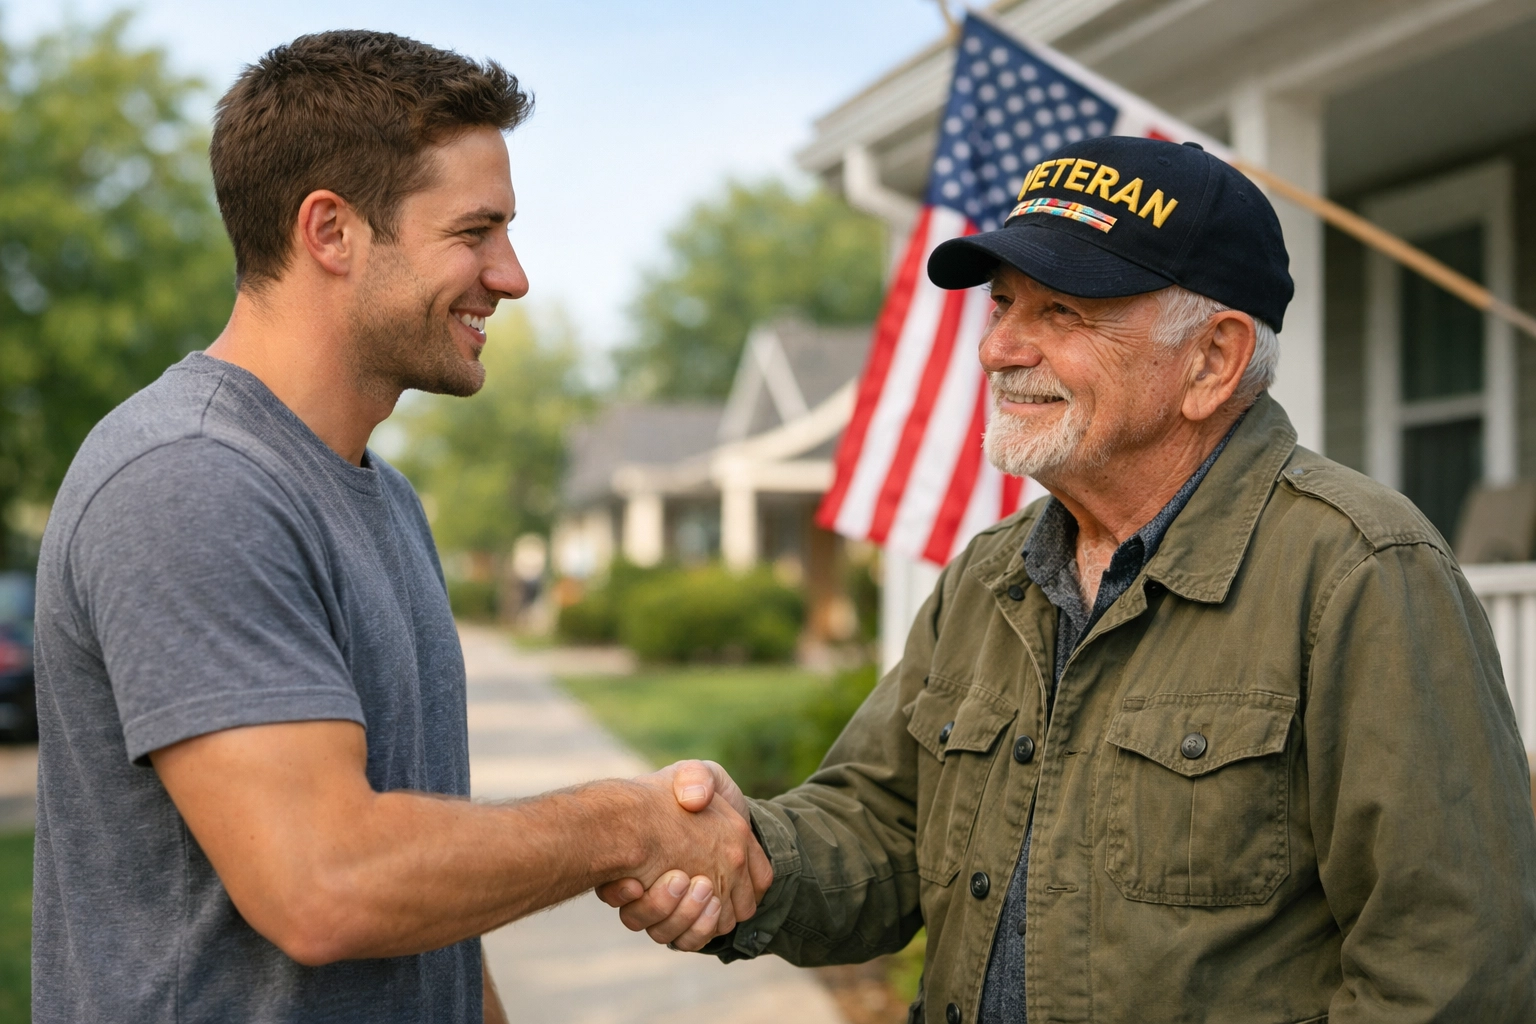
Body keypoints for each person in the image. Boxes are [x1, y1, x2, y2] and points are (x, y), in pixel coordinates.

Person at [604, 136, 1536, 1022]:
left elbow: (1449, 970)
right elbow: (886, 827)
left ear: (1213, 359)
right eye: (1005, 305)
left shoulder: (1360, 573)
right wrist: (740, 855)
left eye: (1062, 313)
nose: (999, 348)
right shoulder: (991, 575)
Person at [30, 31, 766, 1023]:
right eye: (476, 231)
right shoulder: (190, 481)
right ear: (330, 232)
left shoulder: (385, 498)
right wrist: (626, 823)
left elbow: (419, 893)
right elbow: (325, 882)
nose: (512, 276)